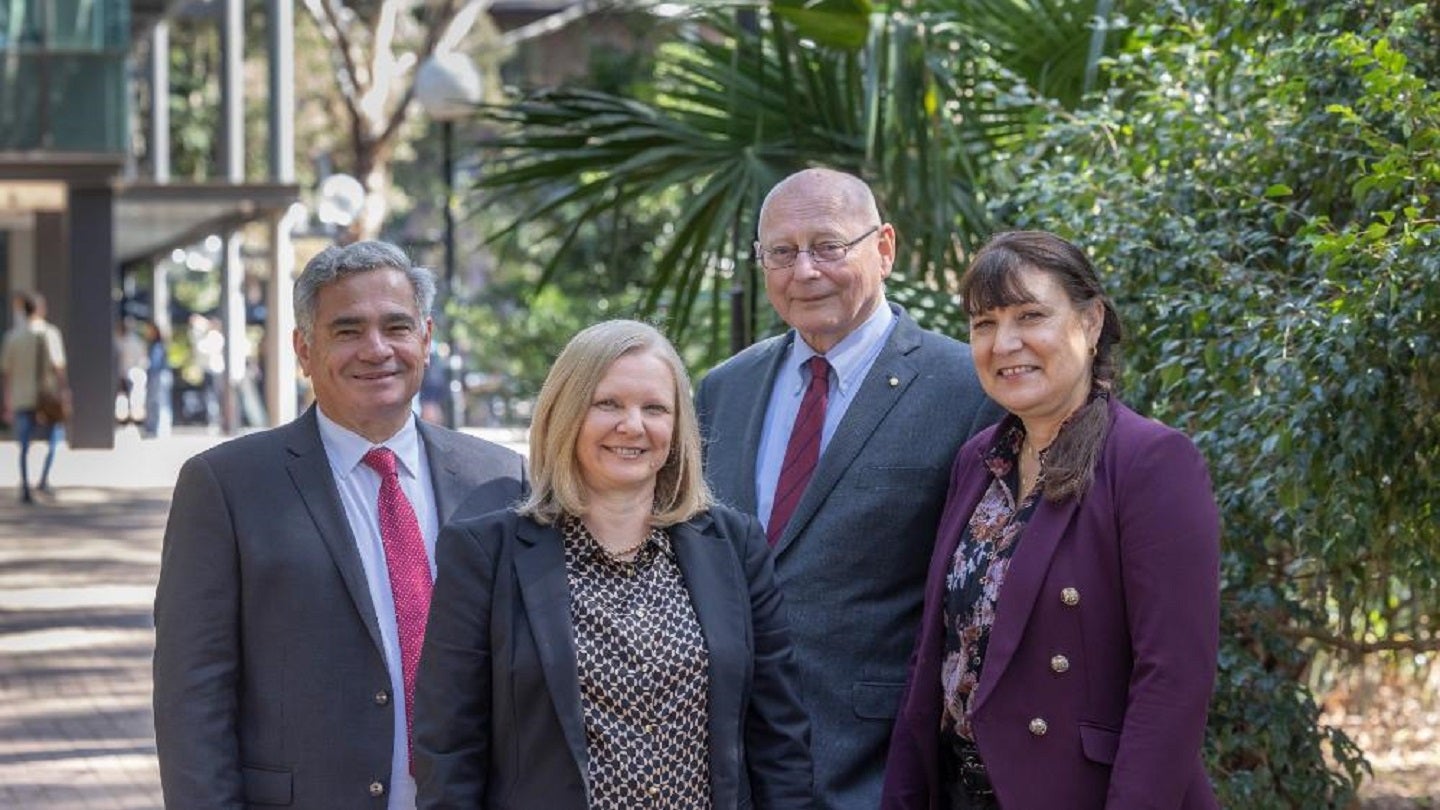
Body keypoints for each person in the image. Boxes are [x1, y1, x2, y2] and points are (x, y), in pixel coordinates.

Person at [153, 240, 528, 810]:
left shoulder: (498, 480)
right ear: (304, 350)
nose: (376, 349)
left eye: (396, 327)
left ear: (426, 339)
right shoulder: (225, 487)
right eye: (348, 330)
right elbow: (192, 695)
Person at [881, 231, 1221, 809]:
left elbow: (1173, 683)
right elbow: (934, 656)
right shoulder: (978, 460)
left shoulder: (1151, 462)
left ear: (1090, 323)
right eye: (984, 324)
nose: (1004, 343)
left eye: (1030, 316)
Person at [695, 167, 1001, 810]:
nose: (804, 271)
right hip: (727, 768)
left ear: (884, 248)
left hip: (876, 766)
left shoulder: (967, 389)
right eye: (781, 252)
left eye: (828, 246)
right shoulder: (724, 389)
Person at [413, 319, 813, 809]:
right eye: (608, 404)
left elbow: (779, 742)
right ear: (566, 413)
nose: (633, 425)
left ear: (678, 427)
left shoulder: (736, 547)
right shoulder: (484, 554)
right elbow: (448, 752)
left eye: (655, 408)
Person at [1, 291, 68, 504]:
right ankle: (43, 479)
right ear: (40, 309)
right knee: (54, 439)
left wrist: (7, 401)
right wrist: (64, 392)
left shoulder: (13, 337)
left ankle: (25, 486)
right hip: (46, 397)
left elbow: (6, 373)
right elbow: (59, 368)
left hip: (21, 397)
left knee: (23, 446)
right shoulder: (50, 334)